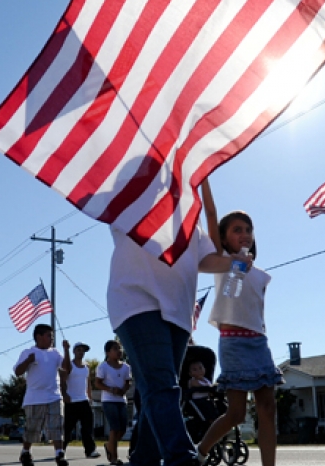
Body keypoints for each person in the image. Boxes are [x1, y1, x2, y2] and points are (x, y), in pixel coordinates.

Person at [106, 179, 247, 466]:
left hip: (179, 314)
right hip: (137, 303)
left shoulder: (189, 224)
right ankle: (182, 458)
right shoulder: (127, 203)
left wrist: (237, 263)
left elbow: (209, 260)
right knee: (161, 385)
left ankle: (143, 460)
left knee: (155, 391)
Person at [195, 183, 283, 466]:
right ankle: (201, 450)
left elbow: (258, 313)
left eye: (248, 230)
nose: (244, 234)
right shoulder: (223, 262)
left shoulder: (262, 276)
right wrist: (205, 181)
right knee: (236, 413)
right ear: (224, 237)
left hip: (258, 342)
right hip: (232, 342)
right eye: (236, 230)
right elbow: (210, 213)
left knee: (267, 408)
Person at [13, 324, 71, 466]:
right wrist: (28, 361)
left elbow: (67, 368)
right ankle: (25, 452)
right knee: (33, 428)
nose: (51, 338)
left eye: (52, 336)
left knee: (56, 426)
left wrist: (66, 350)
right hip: (34, 397)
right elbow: (18, 371)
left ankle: (59, 454)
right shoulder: (28, 352)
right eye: (48, 336)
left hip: (54, 396)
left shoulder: (55, 353)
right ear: (38, 337)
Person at [60, 342, 100, 460]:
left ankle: (90, 450)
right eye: (78, 350)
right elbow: (62, 380)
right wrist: (64, 394)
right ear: (74, 351)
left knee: (87, 427)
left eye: (82, 350)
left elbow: (88, 383)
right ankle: (61, 450)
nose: (81, 352)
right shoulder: (69, 365)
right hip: (71, 401)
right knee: (67, 428)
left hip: (84, 401)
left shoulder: (86, 366)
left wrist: (90, 396)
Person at [95, 341, 131, 466]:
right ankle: (114, 458)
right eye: (115, 348)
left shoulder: (126, 367)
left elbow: (128, 382)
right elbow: (97, 383)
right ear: (108, 352)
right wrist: (111, 389)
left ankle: (109, 445)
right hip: (109, 400)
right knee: (114, 428)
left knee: (123, 428)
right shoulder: (103, 367)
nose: (119, 351)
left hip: (122, 400)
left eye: (120, 348)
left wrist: (124, 390)